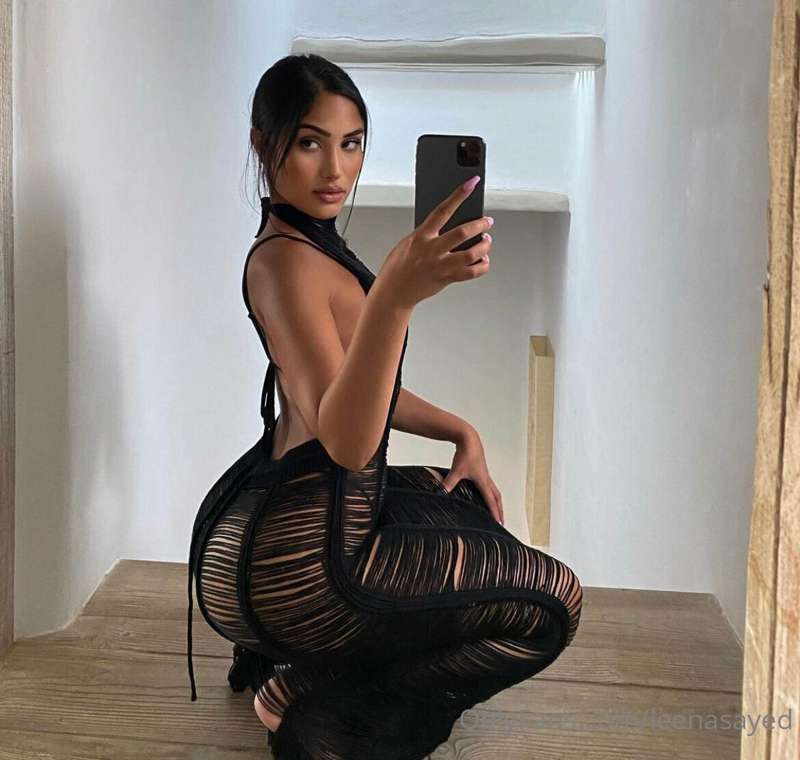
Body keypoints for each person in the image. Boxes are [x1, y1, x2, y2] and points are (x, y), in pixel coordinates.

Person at [188, 53, 583, 760]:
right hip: (303, 566)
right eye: (309, 143)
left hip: (274, 530)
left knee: (457, 501)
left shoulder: (298, 244)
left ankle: (303, 672)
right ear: (262, 144)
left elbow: (356, 390)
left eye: (352, 143)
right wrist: (396, 299)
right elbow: (346, 440)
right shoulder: (285, 262)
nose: (335, 169)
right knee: (553, 603)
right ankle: (327, 704)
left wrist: (461, 430)